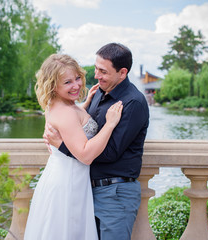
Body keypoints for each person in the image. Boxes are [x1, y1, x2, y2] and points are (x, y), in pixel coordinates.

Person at [44, 43, 150, 240]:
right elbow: (81, 127)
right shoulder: (100, 91)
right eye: (96, 68)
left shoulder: (132, 103)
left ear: (122, 72)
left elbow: (108, 153)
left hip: (115, 193)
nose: (96, 75)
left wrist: (62, 146)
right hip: (86, 190)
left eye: (103, 71)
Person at [24, 53, 123, 240]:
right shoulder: (65, 112)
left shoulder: (56, 104)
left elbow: (72, 126)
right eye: (68, 82)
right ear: (53, 85)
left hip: (66, 179)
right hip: (68, 185)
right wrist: (109, 124)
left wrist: (83, 106)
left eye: (77, 78)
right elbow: (85, 155)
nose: (77, 85)